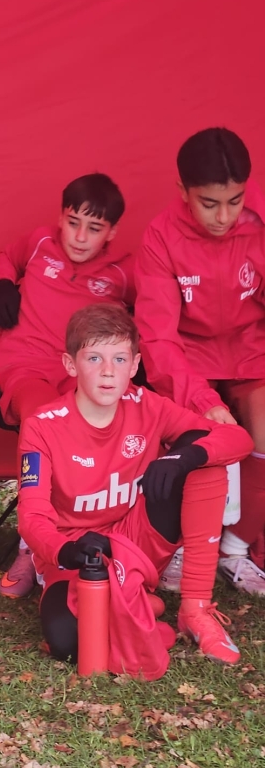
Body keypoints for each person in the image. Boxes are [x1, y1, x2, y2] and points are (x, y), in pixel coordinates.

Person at [18, 305, 252, 674]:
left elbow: (237, 439)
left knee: (204, 457)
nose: (108, 371)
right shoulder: (42, 426)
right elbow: (32, 517)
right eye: (94, 358)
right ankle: (137, 602)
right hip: (79, 552)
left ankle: (195, 609)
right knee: (67, 642)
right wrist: (66, 550)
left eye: (119, 358)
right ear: (70, 365)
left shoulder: (146, 405)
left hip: (136, 541)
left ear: (134, 365)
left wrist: (184, 457)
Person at [0, 172, 134, 598]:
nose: (80, 237)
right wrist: (1, 282)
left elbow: (156, 306)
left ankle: (98, 543)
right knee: (44, 420)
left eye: (94, 228)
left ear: (112, 232)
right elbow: (7, 257)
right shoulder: (38, 242)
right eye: (73, 223)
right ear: (61, 217)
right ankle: (31, 546)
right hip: (26, 365)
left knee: (113, 418)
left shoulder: (124, 272)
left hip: (83, 373)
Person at [135, 127, 265, 597]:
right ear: (183, 191)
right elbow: (158, 336)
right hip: (188, 358)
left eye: (234, 201)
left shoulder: (259, 221)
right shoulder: (161, 236)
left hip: (251, 350)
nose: (224, 216)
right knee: (197, 440)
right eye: (210, 204)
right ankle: (183, 548)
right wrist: (203, 400)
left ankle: (235, 549)